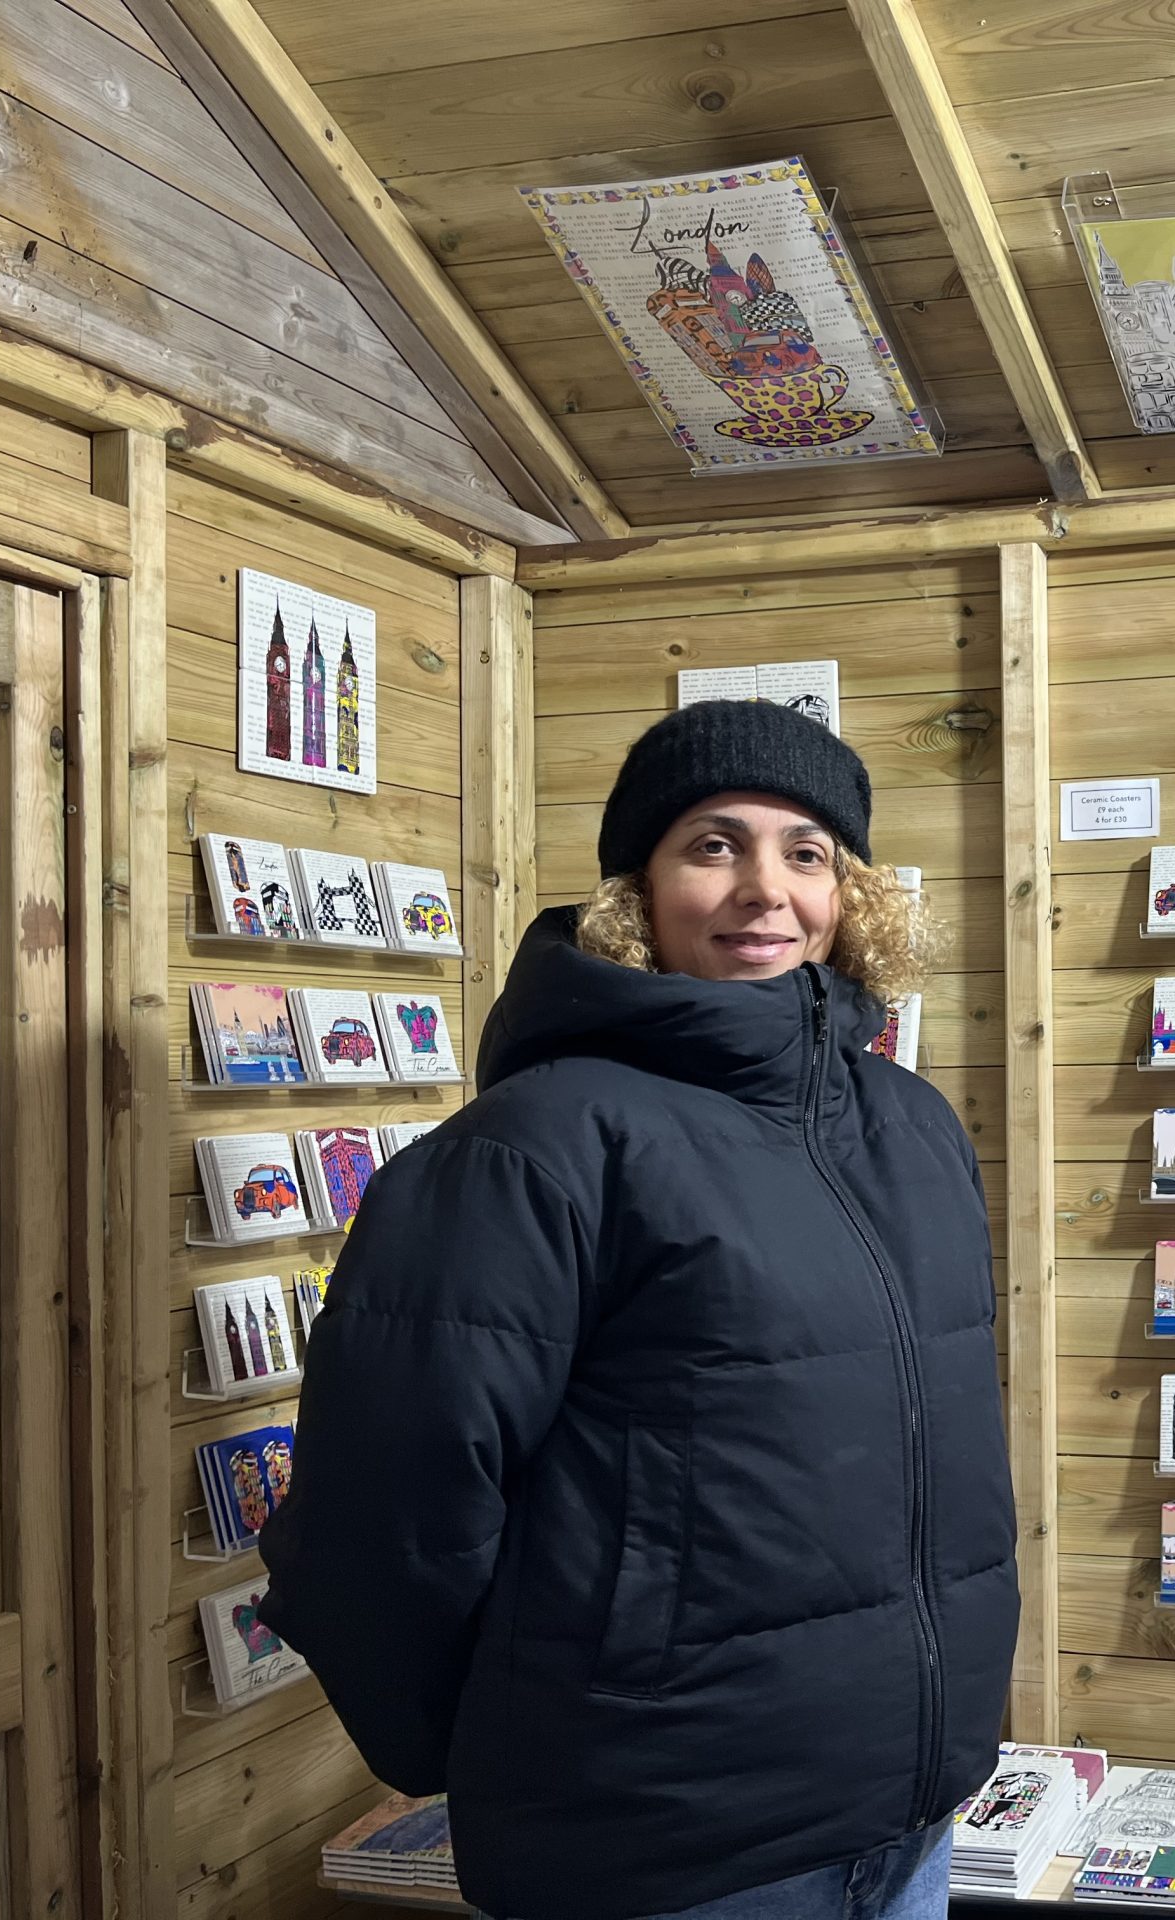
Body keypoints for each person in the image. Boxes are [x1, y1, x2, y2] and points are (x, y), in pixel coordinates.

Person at [260, 700, 1019, 1920]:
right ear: (638, 890)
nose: (763, 889)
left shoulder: (911, 1126)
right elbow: (384, 1512)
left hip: (907, 1813)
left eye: (805, 851)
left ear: (850, 894)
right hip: (673, 1847)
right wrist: (497, 1747)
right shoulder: (540, 1145)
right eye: (712, 845)